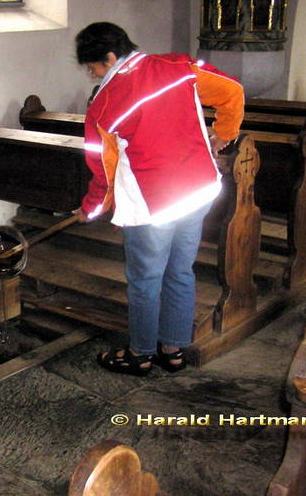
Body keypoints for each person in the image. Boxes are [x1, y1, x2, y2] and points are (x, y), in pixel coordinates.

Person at [74, 22, 244, 376]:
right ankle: (173, 349)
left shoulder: (103, 104)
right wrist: (223, 135)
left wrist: (90, 210)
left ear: (109, 57)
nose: (92, 75)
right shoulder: (179, 67)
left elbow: (103, 172)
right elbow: (232, 91)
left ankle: (140, 354)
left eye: (93, 67)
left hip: (153, 204)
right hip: (197, 191)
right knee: (180, 271)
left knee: (145, 280)